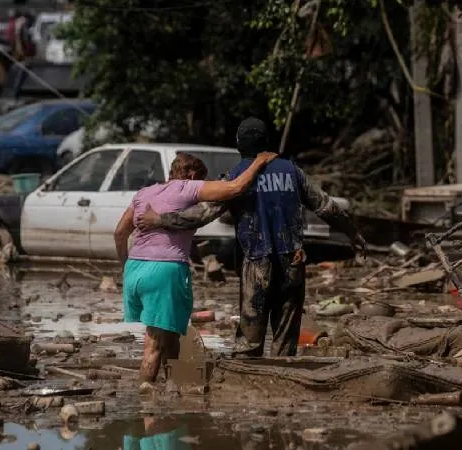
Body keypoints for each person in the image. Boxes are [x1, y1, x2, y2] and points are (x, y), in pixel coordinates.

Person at [138, 117, 368, 358]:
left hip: (257, 264)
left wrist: (160, 219)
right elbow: (326, 206)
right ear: (266, 142)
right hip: (293, 261)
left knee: (249, 341)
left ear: (239, 144)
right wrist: (353, 233)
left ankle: (248, 387)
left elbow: (203, 214)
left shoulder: (237, 176)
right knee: (285, 337)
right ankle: (285, 384)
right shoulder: (291, 171)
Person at [113, 151, 278, 391]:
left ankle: (172, 385)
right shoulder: (187, 189)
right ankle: (145, 397)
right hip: (165, 270)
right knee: (155, 342)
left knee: (170, 333)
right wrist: (259, 162)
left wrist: (126, 267)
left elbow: (119, 233)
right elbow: (234, 188)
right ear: (191, 174)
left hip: (135, 268)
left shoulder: (144, 192)